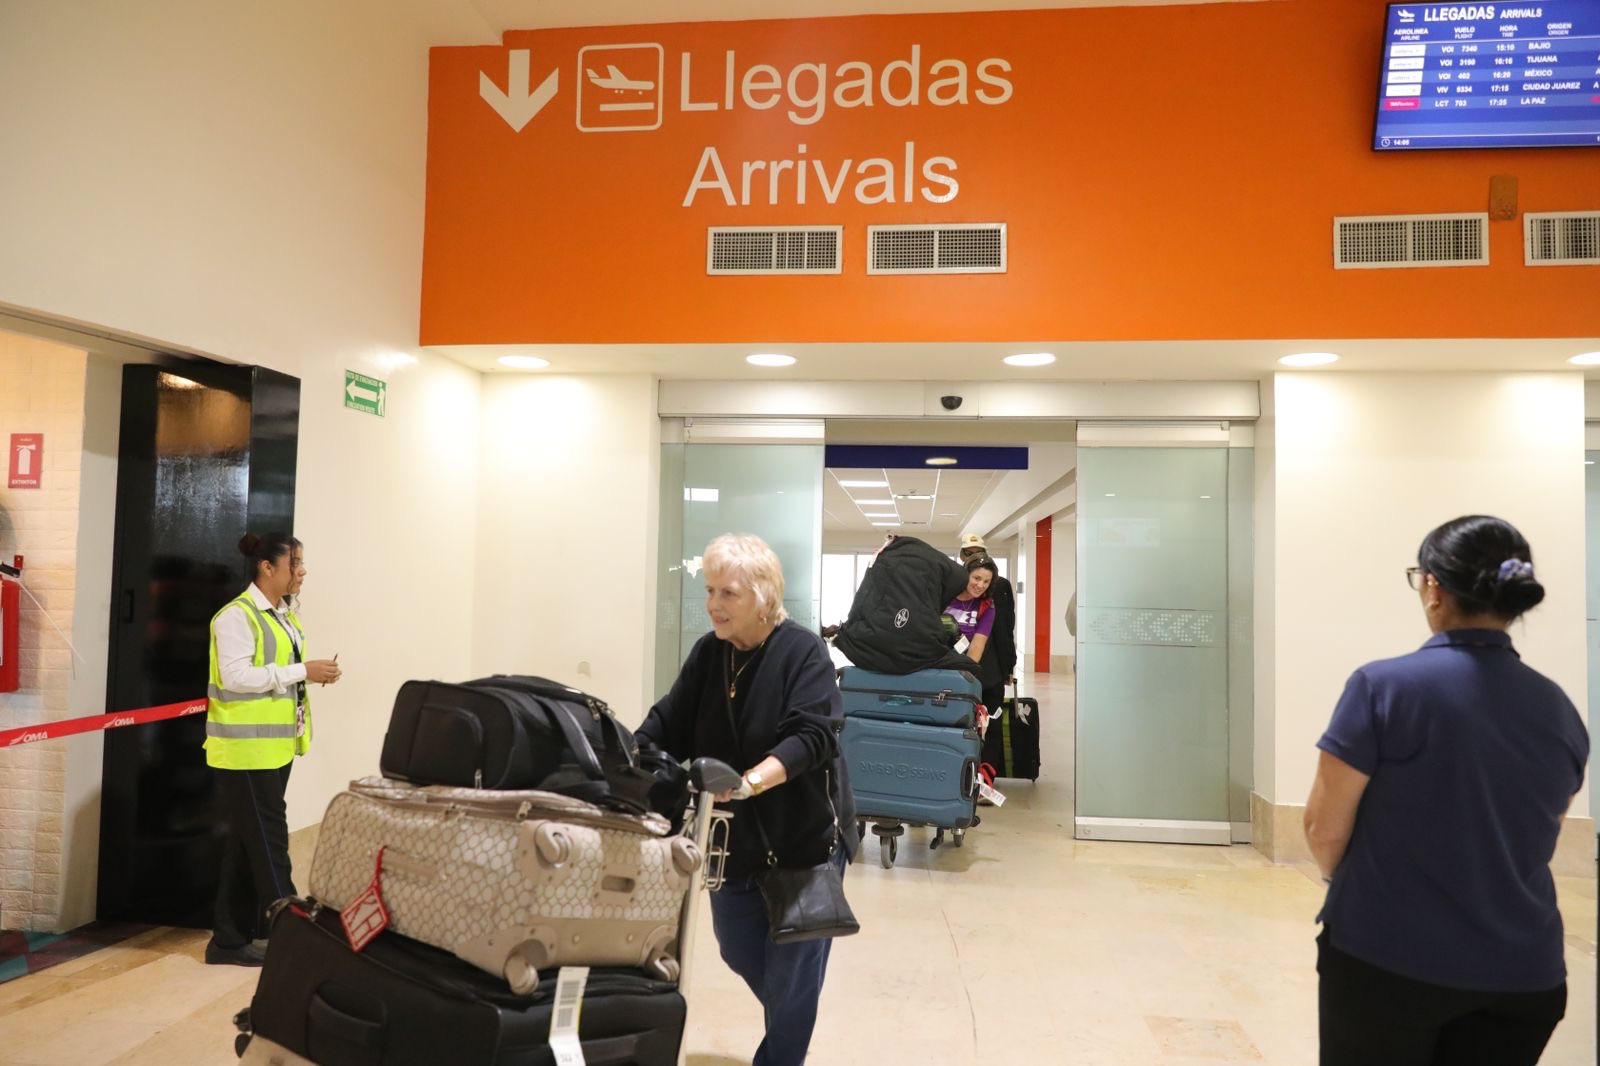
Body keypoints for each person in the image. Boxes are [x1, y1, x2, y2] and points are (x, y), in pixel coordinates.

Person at [1304, 515, 1588, 1065]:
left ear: (1433, 587)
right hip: (1524, 979)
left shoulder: (1382, 688)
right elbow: (1542, 832)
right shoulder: (1560, 709)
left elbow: (1323, 829)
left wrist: (1357, 888)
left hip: (1387, 963)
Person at [638, 533, 857, 1066]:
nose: (713, 604)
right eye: (710, 591)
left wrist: (751, 781)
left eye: (728, 593)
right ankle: (789, 1022)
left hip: (803, 842)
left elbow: (813, 736)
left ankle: (782, 1049)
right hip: (734, 842)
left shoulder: (802, 652)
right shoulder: (709, 654)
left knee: (792, 974)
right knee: (737, 949)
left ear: (763, 597)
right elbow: (668, 722)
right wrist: (630, 756)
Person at [204, 532, 341, 966]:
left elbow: (278, 673)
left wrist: (309, 673)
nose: (302, 571)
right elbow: (235, 677)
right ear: (267, 567)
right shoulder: (236, 617)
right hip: (245, 751)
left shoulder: (282, 615)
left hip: (274, 748)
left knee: (247, 843)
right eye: (294, 563)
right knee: (270, 843)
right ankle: (293, 938)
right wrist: (303, 670)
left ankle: (228, 940)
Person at [959, 532, 1016, 695]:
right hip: (953, 666)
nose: (980, 585)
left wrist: (1008, 665)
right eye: (969, 553)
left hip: (989, 665)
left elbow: (1005, 628)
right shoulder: (951, 586)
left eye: (979, 553)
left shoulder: (1000, 586)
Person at [948, 553, 1004, 714]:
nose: (981, 585)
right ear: (965, 574)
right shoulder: (944, 596)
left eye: (986, 581)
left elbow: (977, 647)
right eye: (976, 578)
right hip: (937, 663)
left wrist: (963, 677)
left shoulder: (987, 606)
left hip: (962, 667)